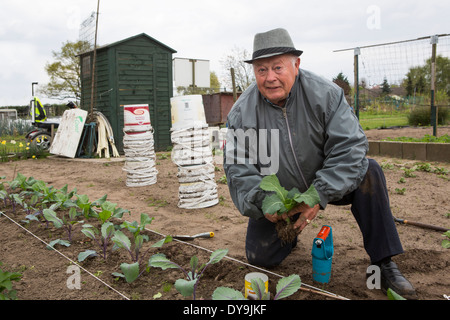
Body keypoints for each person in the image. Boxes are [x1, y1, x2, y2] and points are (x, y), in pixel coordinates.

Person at [223, 28, 417, 299]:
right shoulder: (242, 112)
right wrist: (264, 201)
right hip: (280, 197)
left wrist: (317, 194)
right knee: (261, 258)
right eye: (261, 70)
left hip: (326, 182)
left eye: (278, 67)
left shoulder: (326, 95)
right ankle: (289, 233)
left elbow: (350, 148)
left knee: (369, 171)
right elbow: (237, 167)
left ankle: (383, 263)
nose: (270, 78)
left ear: (296, 64)